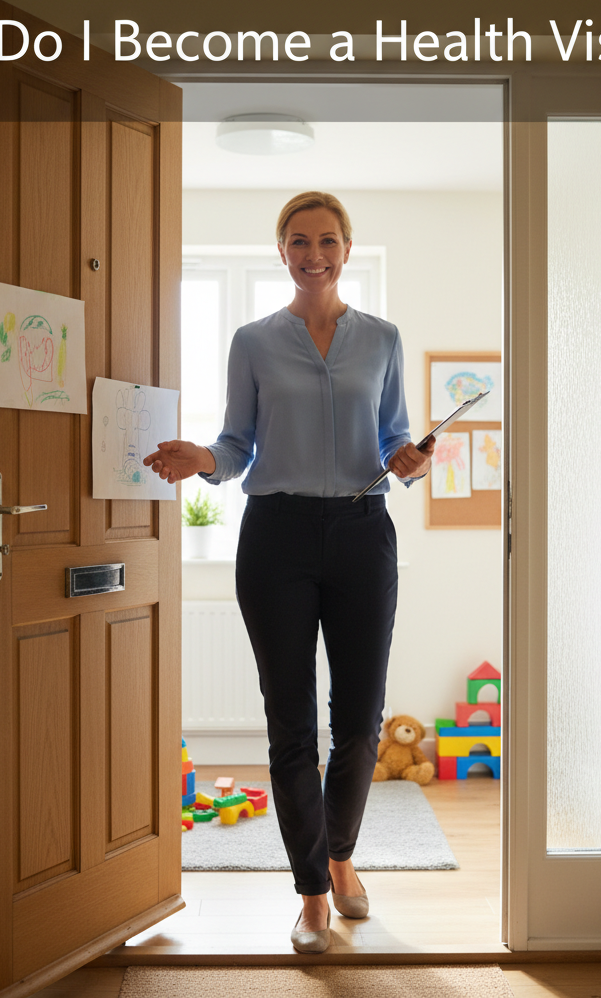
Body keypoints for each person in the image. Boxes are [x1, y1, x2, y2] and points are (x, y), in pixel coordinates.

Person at [144, 191, 433, 953]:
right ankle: (311, 892)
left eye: (328, 240)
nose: (315, 254)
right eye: (299, 241)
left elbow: (396, 436)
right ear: (282, 252)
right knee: (290, 722)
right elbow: (237, 442)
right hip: (275, 535)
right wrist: (203, 459)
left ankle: (340, 859)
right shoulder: (253, 341)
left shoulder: (383, 338)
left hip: (364, 534)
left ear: (346, 249)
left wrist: (411, 461)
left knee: (361, 721)